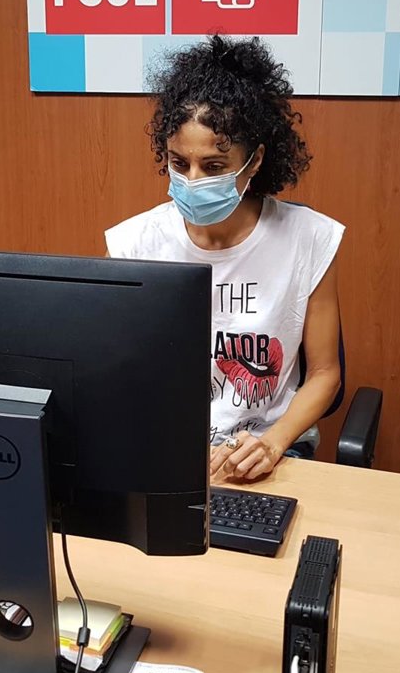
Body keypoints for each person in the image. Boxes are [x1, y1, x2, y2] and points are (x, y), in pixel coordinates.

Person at [105, 35, 344, 482]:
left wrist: (273, 443)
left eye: (213, 166)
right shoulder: (133, 245)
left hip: (270, 450)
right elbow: (116, 370)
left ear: (254, 161)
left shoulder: (309, 239)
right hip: (167, 450)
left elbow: (325, 373)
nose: (193, 180)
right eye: (179, 163)